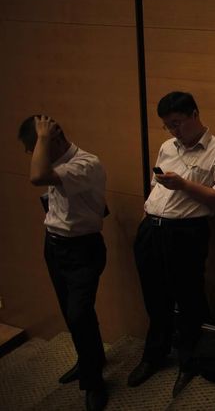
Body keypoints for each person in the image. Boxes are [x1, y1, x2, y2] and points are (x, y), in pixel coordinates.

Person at [127, 91, 215, 397]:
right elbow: (155, 188)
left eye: (177, 123)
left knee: (188, 298)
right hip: (152, 228)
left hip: (187, 232)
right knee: (154, 296)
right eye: (168, 126)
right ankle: (154, 355)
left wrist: (185, 185)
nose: (174, 131)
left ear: (194, 114)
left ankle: (188, 362)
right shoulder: (167, 147)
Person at [18, 115, 108, 411]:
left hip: (82, 250)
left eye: (37, 147)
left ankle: (94, 383)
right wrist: (42, 142)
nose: (34, 155)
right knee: (72, 314)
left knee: (80, 313)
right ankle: (89, 359)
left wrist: (43, 138)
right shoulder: (52, 162)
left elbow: (37, 177)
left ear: (53, 139)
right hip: (54, 245)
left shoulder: (86, 163)